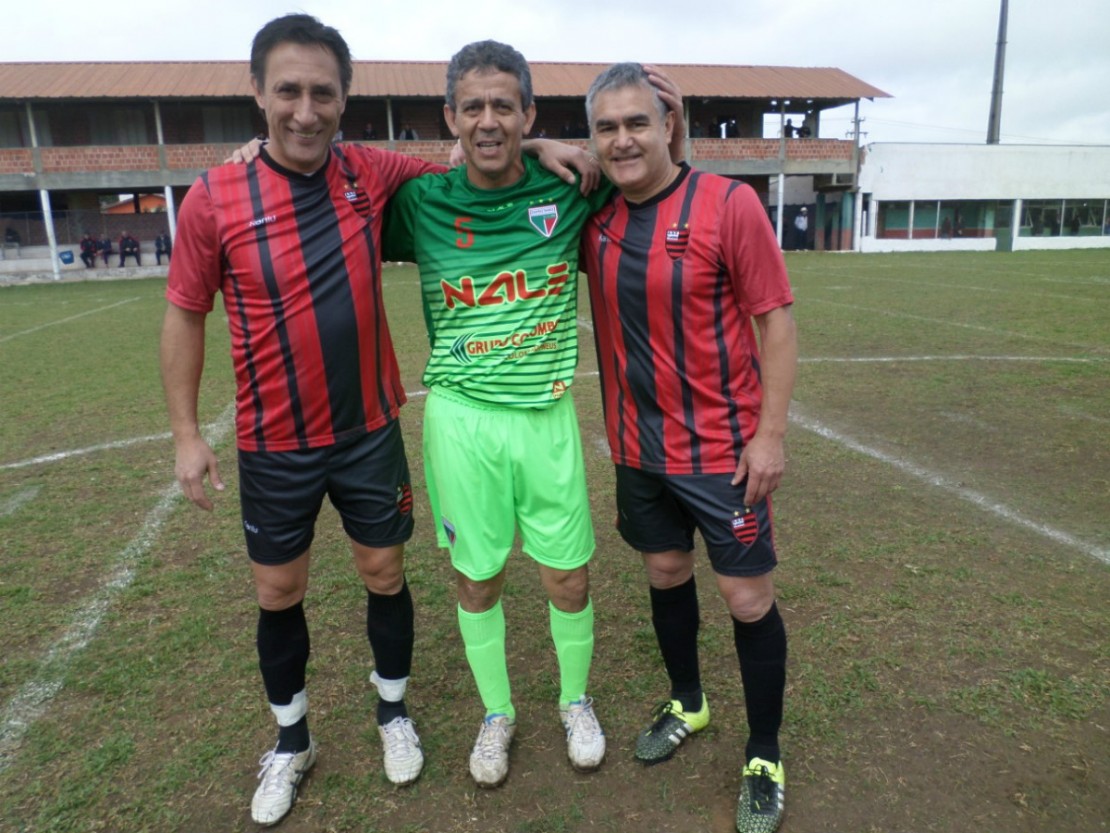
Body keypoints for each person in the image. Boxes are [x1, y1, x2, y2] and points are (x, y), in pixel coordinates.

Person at [160, 15, 448, 826]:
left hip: (368, 431)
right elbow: (184, 313)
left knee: (384, 573)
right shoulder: (214, 196)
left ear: (345, 98)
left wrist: (543, 144)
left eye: (323, 92)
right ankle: (293, 741)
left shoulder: (369, 171)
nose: (305, 110)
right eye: (287, 90)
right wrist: (186, 434)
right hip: (274, 443)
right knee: (278, 588)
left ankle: (392, 712)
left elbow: (474, 162)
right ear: (257, 92)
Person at [381, 39, 623, 791]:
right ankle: (497, 712)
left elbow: (642, 164)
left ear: (529, 113)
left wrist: (556, 148)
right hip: (461, 422)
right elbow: (334, 182)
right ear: (449, 117)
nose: (488, 121)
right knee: (477, 580)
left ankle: (574, 700)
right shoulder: (421, 202)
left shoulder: (573, 187)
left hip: (545, 417)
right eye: (473, 108)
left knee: (568, 577)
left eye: (504, 107)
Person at [581, 63, 797, 833]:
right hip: (638, 449)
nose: (622, 139)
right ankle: (689, 701)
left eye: (637, 121)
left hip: (723, 451)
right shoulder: (594, 217)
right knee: (666, 572)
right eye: (606, 127)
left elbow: (776, 321)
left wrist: (769, 435)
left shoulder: (728, 204)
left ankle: (764, 752)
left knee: (747, 598)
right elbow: (514, 165)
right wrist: (539, 143)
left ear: (668, 124)